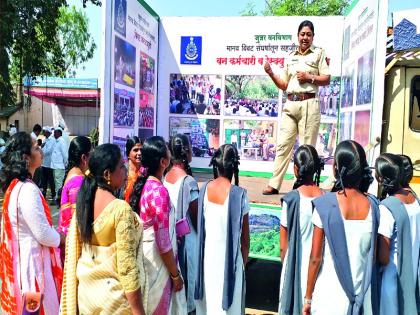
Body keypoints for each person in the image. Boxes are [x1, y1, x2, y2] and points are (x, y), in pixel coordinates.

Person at [60, 143, 147, 314]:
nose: (125, 170)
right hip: (112, 302)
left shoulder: (83, 204)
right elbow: (127, 269)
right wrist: (139, 311)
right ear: (107, 174)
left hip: (86, 297)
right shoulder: (120, 209)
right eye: (121, 166)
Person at [303, 140, 379, 315]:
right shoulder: (373, 206)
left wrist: (308, 298)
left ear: (336, 169)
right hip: (361, 299)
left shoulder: (325, 205)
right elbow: (372, 257)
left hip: (328, 299)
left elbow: (315, 258)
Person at [263, 20, 331, 195]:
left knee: (307, 148)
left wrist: (309, 76)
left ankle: (300, 185)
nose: (305, 38)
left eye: (308, 34)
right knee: (283, 145)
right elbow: (284, 85)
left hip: (309, 103)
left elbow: (327, 78)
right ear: (297, 36)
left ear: (313, 37)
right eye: (302, 34)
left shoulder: (319, 53)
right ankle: (274, 184)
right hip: (291, 104)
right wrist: (270, 73)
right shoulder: (290, 56)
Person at [0, 132, 63, 314]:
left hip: (26, 259)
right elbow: (43, 233)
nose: (41, 150)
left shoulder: (18, 186)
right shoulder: (27, 189)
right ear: (26, 158)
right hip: (33, 266)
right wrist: (62, 238)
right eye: (36, 147)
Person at [129, 136, 186, 314]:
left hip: (149, 257)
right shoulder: (159, 191)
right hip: (157, 262)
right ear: (163, 161)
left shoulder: (145, 185)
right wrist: (175, 275)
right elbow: (162, 242)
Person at [195, 144, 250, 315]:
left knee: (209, 305)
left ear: (216, 166)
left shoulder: (203, 189)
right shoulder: (240, 194)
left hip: (207, 262)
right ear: (234, 168)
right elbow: (245, 240)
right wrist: (243, 263)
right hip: (231, 264)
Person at [278, 145, 323, 314]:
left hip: (294, 268)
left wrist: (288, 266)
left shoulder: (291, 200)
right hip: (318, 272)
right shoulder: (326, 198)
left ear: (295, 169)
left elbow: (283, 246)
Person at [375, 153, 420, 315]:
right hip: (412, 275)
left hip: (391, 281)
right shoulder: (415, 200)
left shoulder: (387, 207)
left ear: (381, 179)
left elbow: (383, 257)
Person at [164, 134, 199, 313]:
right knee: (189, 283)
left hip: (170, 239)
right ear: (186, 151)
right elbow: (196, 216)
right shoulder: (189, 182)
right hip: (188, 242)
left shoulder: (166, 177)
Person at [58, 136, 91, 236]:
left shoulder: (74, 173)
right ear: (84, 158)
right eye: (91, 154)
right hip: (72, 240)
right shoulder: (78, 182)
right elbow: (77, 217)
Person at [51, 127, 68, 204]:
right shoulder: (56, 141)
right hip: (55, 166)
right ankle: (58, 199)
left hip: (59, 166)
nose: (54, 134)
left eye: (55, 133)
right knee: (56, 183)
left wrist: (65, 164)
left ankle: (59, 200)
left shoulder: (61, 141)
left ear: (59, 133)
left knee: (59, 184)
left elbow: (65, 154)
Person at [124, 136, 143, 202]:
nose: (139, 153)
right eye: (135, 150)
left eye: (141, 150)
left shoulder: (145, 171)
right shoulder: (123, 171)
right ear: (128, 153)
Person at [41, 126, 56, 201]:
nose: (43, 132)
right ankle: (44, 193)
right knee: (44, 180)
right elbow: (42, 148)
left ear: (47, 132)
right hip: (44, 163)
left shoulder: (52, 140)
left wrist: (41, 152)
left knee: (51, 180)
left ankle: (53, 195)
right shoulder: (44, 139)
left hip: (50, 164)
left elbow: (49, 150)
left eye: (44, 131)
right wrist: (42, 149)